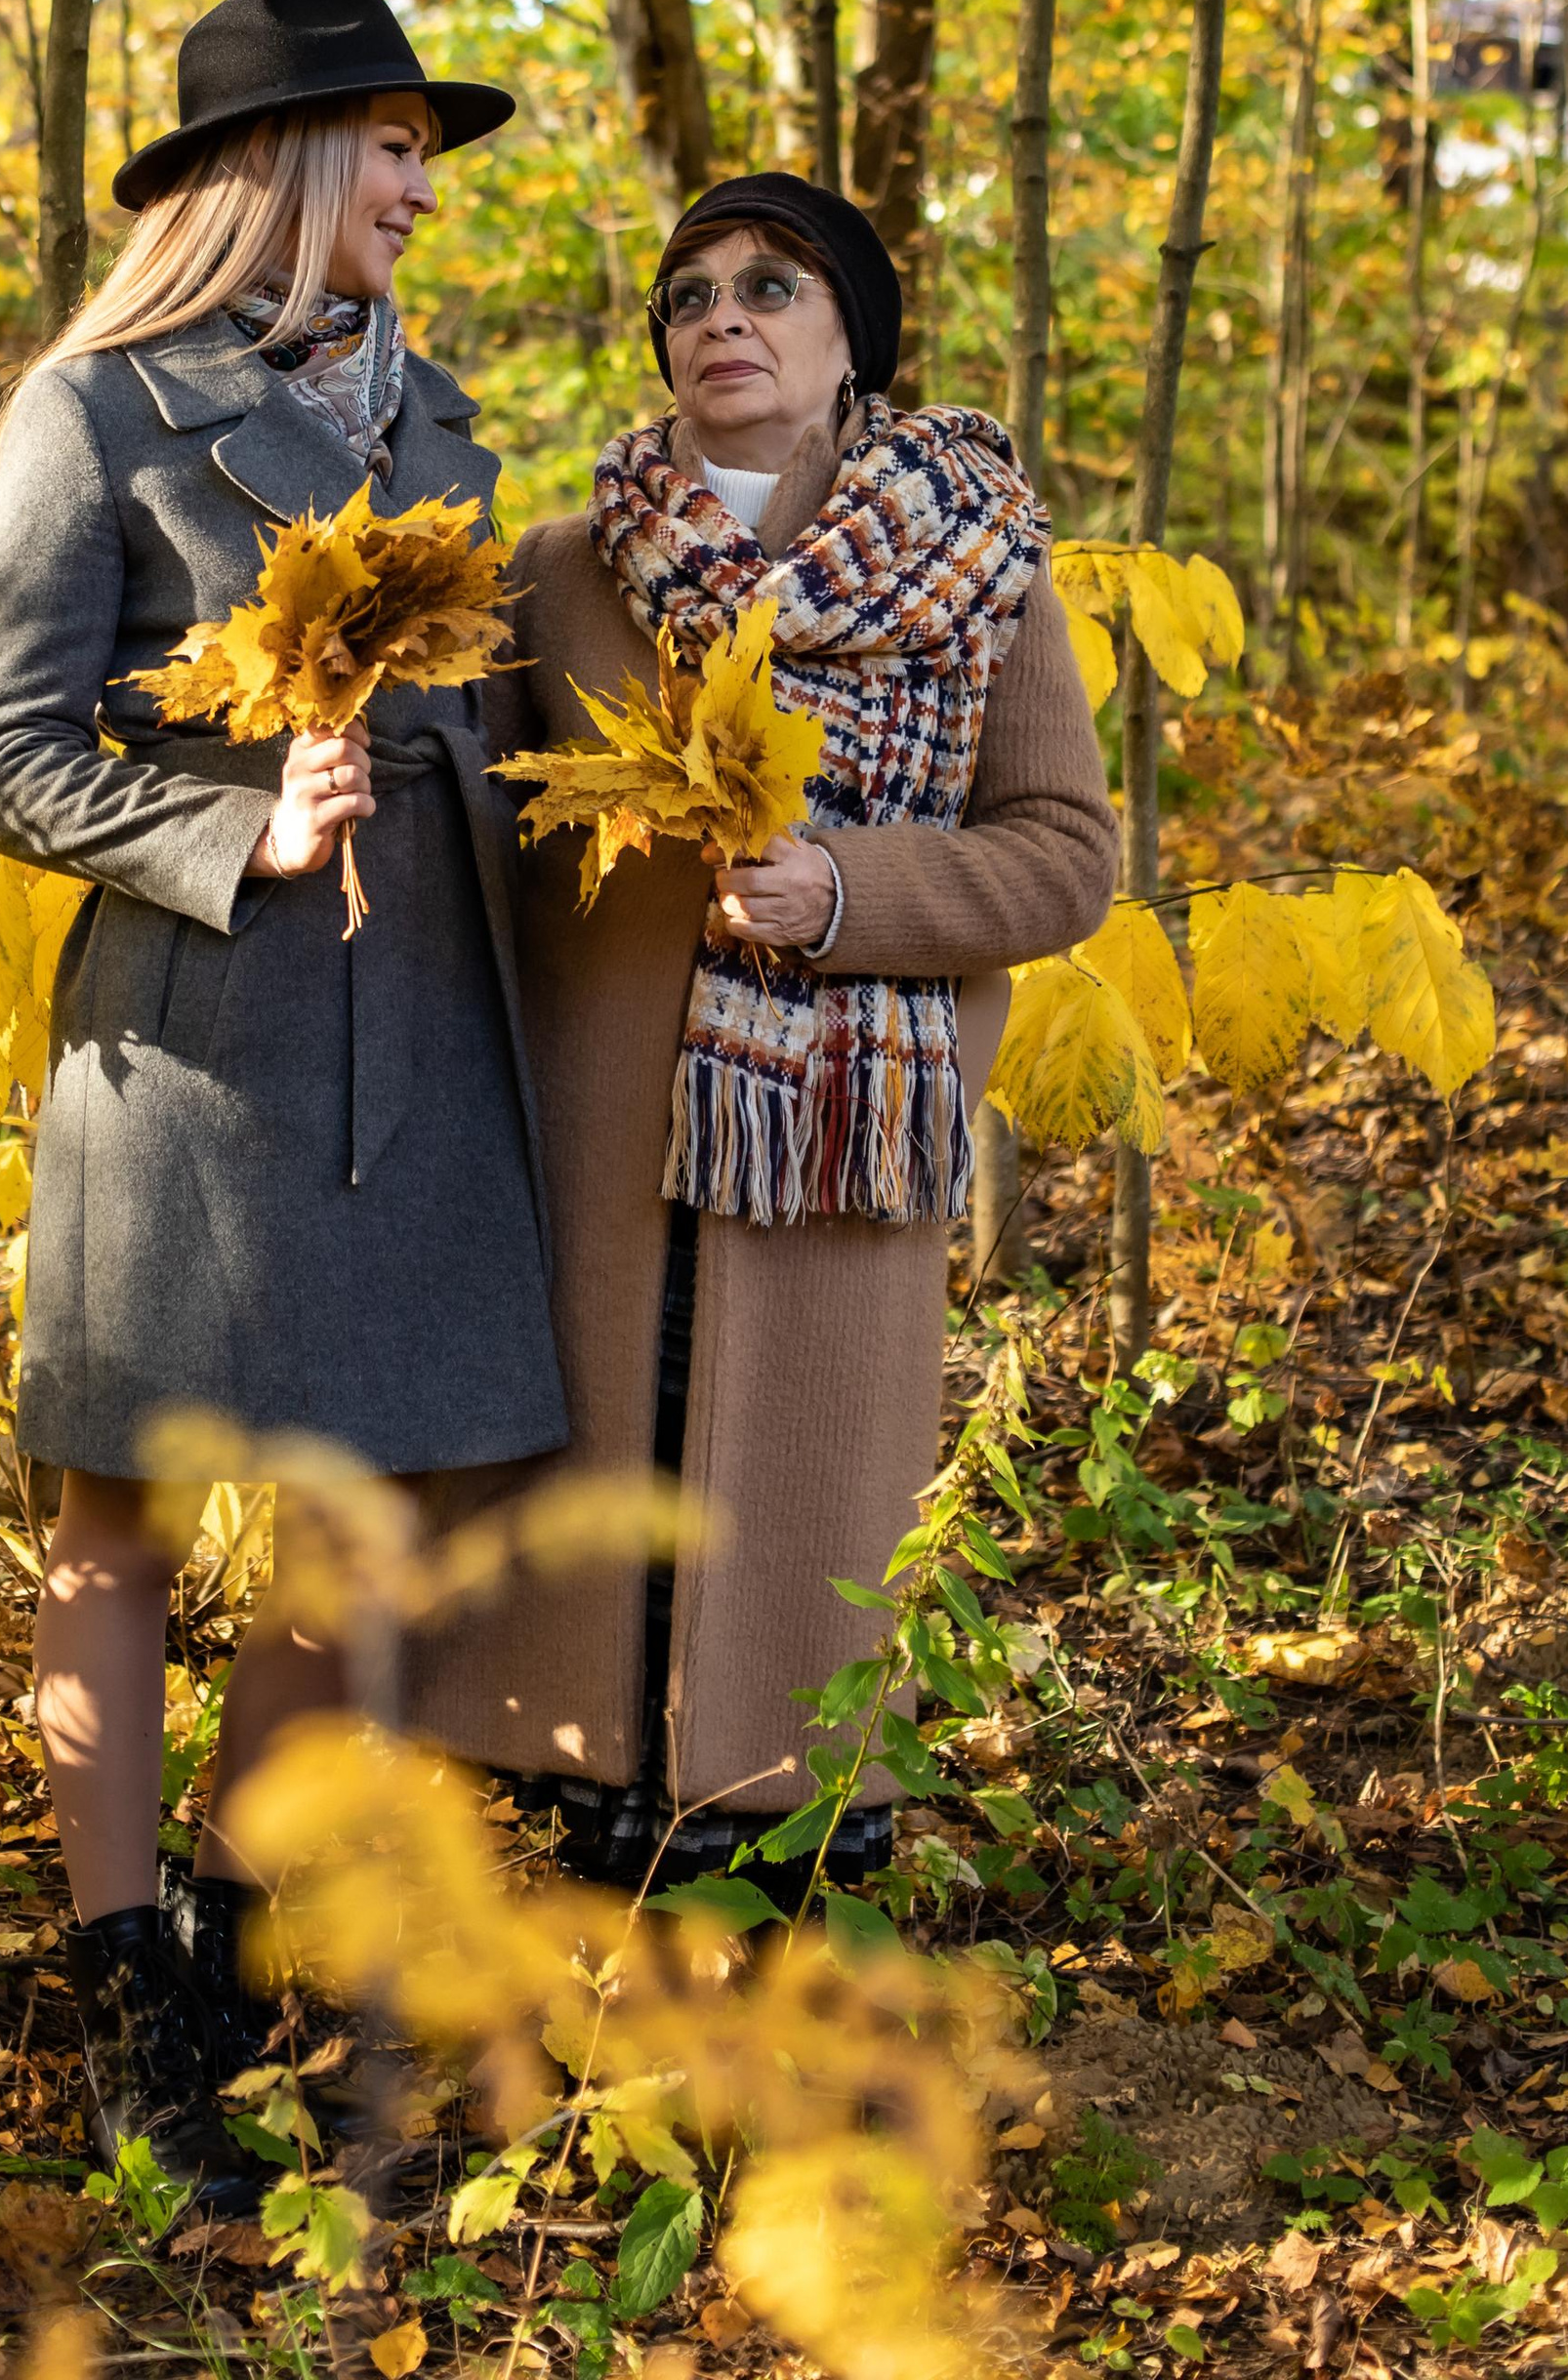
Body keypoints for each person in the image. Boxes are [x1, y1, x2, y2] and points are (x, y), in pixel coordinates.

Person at [0, 0, 565, 2202]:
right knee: (122, 1519)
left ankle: (234, 1918)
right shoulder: (92, 413)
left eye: (422, 152)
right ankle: (123, 1985)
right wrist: (238, 830)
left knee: (364, 1506)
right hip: (189, 1045)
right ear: (279, 164)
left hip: (420, 1026)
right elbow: (9, 757)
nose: (421, 188)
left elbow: (490, 717)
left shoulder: (445, 425)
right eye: (390, 146)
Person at [409, 174, 1116, 1891]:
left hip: (833, 1139)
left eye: (772, 285)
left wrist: (849, 892)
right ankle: (582, 1807)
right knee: (596, 1467)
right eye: (690, 293)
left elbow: (1066, 855)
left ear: (852, 336)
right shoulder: (559, 570)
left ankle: (792, 1835)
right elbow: (458, 830)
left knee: (797, 1495)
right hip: (592, 1140)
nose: (722, 314)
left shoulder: (981, 567)